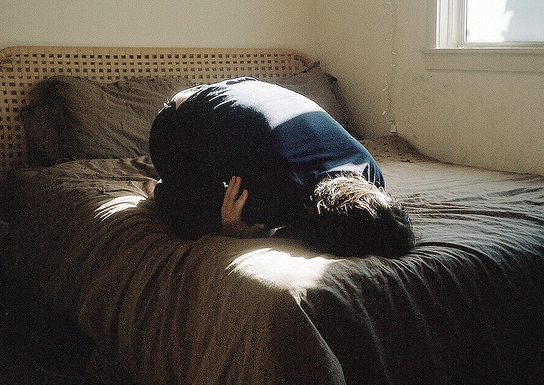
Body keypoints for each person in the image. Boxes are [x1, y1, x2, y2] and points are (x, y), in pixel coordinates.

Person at [149, 77, 414, 258]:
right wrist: (231, 232)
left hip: (247, 88)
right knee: (199, 223)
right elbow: (243, 222)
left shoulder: (370, 172)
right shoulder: (273, 196)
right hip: (175, 122)